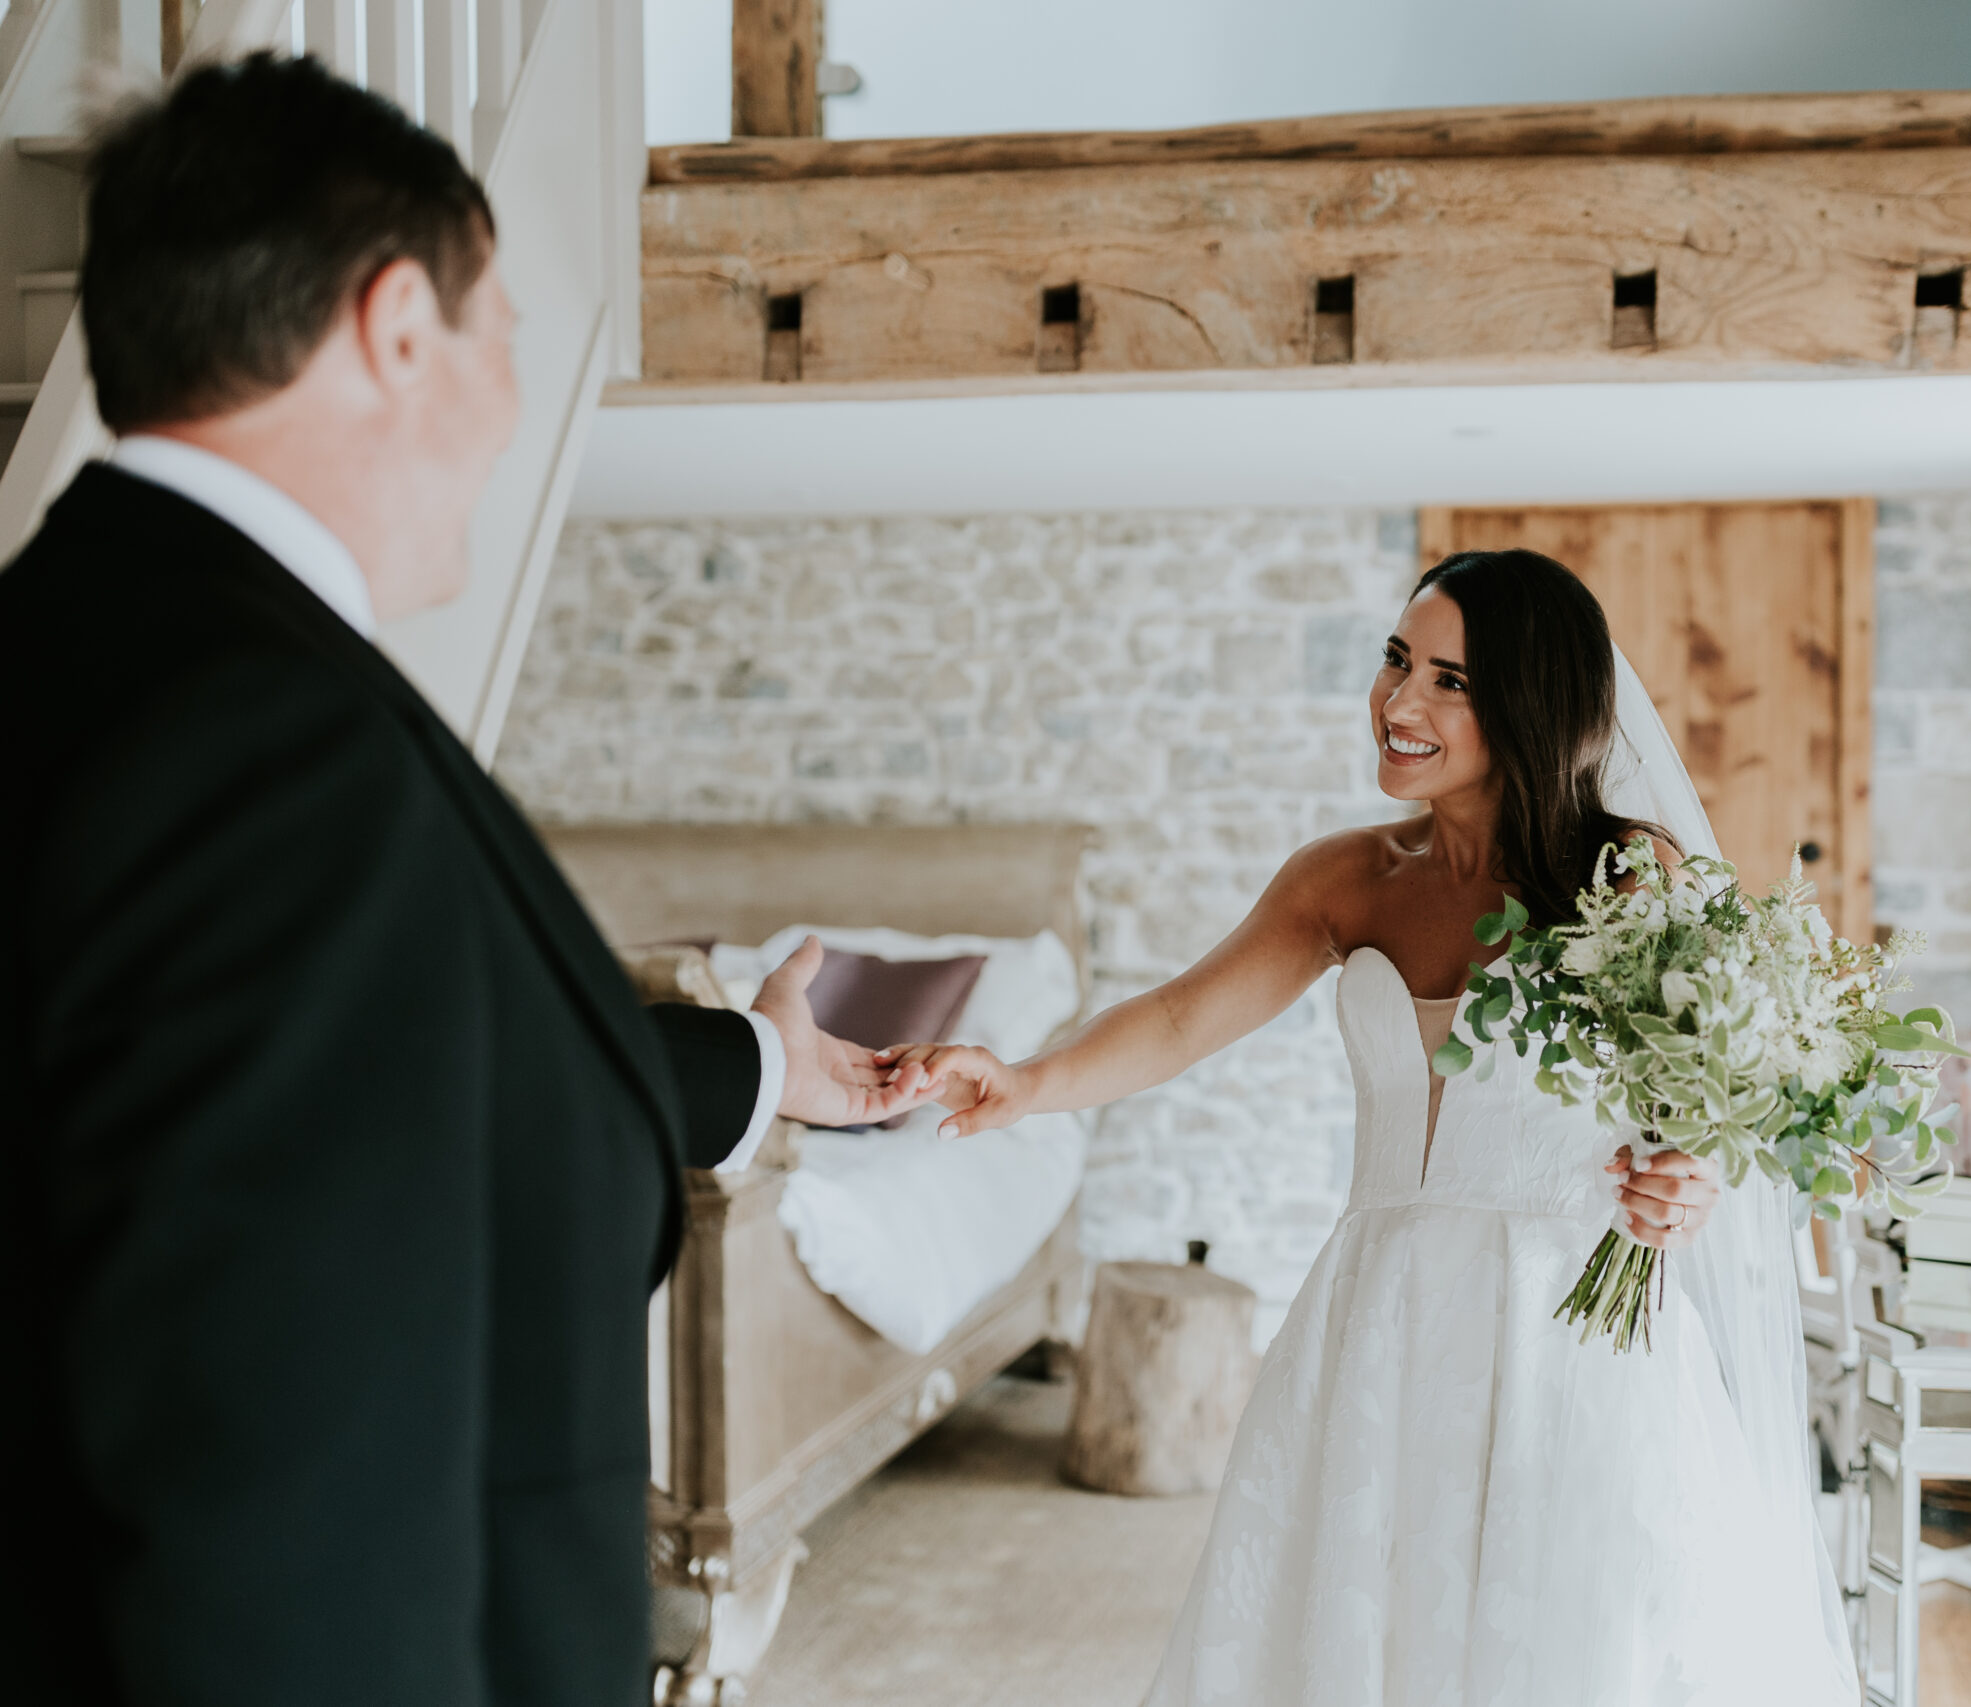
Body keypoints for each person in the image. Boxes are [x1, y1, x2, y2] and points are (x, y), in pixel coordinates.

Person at [0, 56, 930, 1706]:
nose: (510, 396)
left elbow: (387, 1085)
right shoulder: (267, 755)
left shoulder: (101, 649)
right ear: (396, 325)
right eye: (503, 332)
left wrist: (767, 1063)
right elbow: (278, 1476)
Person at [885, 549, 1859, 1703]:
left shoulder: (1629, 875)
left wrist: (1685, 1178)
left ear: (1530, 701)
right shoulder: (1344, 880)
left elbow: (1701, 1104)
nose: (1400, 704)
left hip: (1570, 1339)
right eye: (1398, 661)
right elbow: (1184, 1013)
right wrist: (1026, 1081)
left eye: (1450, 679)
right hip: (1380, 1319)